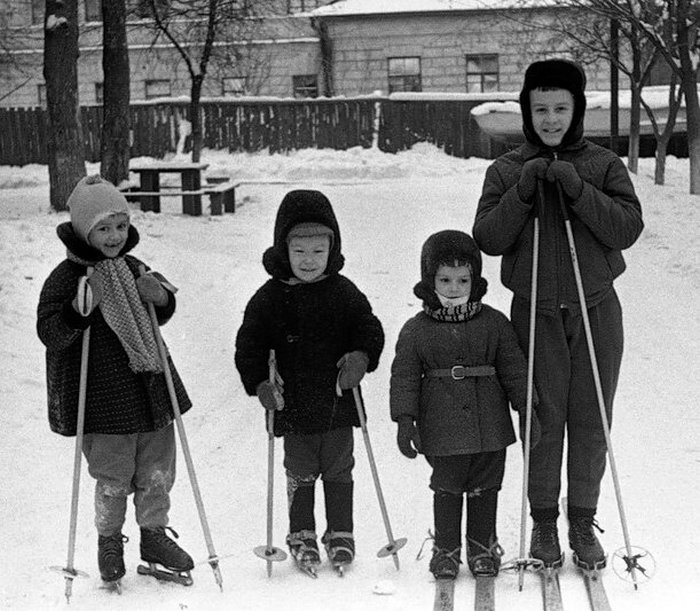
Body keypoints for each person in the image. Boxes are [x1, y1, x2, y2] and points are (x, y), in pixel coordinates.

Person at [473, 59, 643, 571]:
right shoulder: (505, 170)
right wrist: (524, 191)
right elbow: (489, 238)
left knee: (591, 421)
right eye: (540, 108)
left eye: (561, 108)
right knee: (544, 419)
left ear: (577, 110)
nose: (550, 119)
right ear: (527, 111)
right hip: (535, 313)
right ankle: (544, 520)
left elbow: (626, 229)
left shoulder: (602, 164)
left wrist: (576, 188)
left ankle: (581, 519)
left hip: (595, 312)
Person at [37, 175, 195, 586]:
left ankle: (154, 534)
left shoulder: (134, 266)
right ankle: (109, 540)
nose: (114, 236)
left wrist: (159, 297)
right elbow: (50, 332)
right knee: (112, 472)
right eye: (103, 228)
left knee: (157, 468)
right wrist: (76, 311)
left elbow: (160, 310)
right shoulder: (65, 278)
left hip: (149, 388)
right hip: (102, 396)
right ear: (83, 229)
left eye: (121, 226)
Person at [235, 189, 384, 572]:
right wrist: (260, 384)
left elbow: (369, 328)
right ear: (283, 249)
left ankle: (341, 533)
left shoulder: (344, 292)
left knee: (338, 470)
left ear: (331, 250)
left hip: (337, 402)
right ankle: (301, 533)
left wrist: (362, 357)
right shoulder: (269, 299)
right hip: (294, 406)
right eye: (299, 251)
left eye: (318, 251)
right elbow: (249, 345)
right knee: (300, 472)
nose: (308, 261)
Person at [390, 230, 537, 580]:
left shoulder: (495, 323)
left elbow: (515, 368)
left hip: (490, 424)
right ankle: (446, 549)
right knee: (447, 485)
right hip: (440, 425)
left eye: (462, 279)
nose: (454, 287)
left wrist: (526, 408)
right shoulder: (416, 329)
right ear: (430, 280)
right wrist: (404, 419)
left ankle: (482, 547)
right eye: (444, 279)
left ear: (475, 279)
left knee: (486, 485)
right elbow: (405, 376)